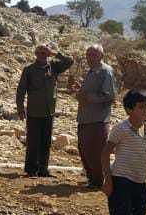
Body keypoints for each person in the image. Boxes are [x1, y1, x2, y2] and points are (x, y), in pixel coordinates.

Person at [15, 44, 74, 177]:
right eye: (40, 53)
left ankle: (43, 169)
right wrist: (20, 108)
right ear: (36, 54)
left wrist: (54, 53)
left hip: (49, 111)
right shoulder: (29, 70)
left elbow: (69, 61)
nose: (43, 55)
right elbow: (21, 90)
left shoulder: (53, 67)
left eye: (45, 53)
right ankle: (31, 170)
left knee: (46, 141)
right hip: (34, 111)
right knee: (33, 141)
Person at [76, 44, 116, 188]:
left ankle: (98, 181)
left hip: (98, 119)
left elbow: (110, 96)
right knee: (83, 149)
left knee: (95, 151)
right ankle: (92, 179)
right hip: (85, 118)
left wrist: (87, 97)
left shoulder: (106, 71)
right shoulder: (92, 71)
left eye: (93, 55)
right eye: (88, 54)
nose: (90, 57)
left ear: (101, 56)